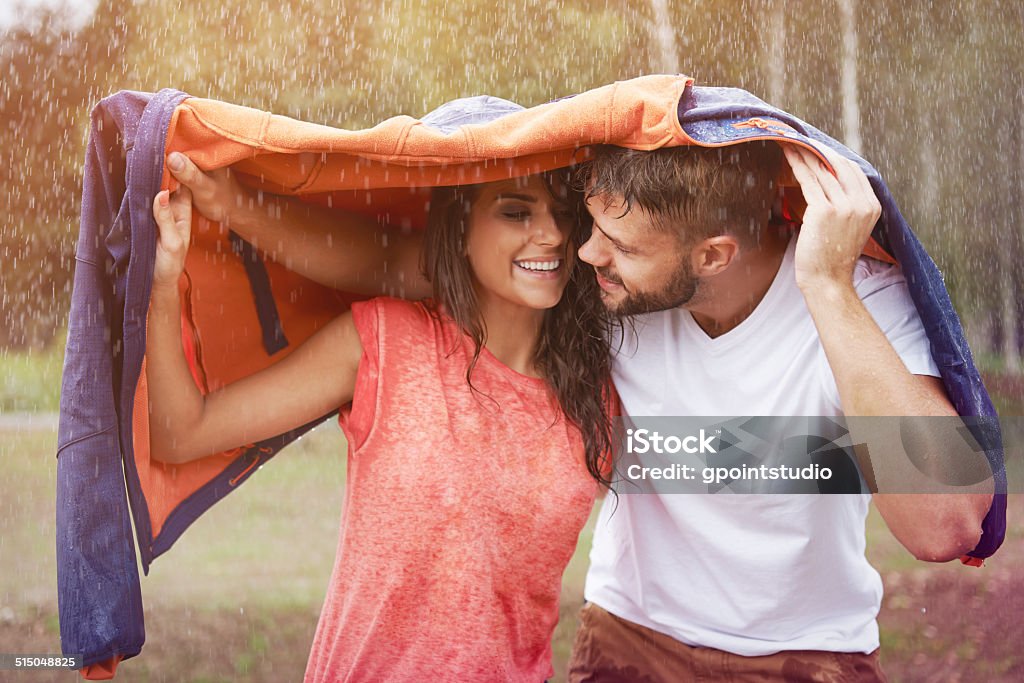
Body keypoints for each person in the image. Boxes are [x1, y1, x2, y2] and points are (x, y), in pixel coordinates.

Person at [163, 137, 992, 682]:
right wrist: (233, 206)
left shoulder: (855, 296)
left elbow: (946, 524)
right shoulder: (600, 294)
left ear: (711, 255)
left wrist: (827, 289)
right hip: (630, 643)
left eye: (614, 244)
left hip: (808, 658)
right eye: (585, 227)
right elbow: (409, 263)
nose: (580, 251)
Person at [146, 164, 617, 682]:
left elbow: (715, 469)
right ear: (459, 230)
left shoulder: (596, 396)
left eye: (565, 214)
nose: (551, 234)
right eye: (514, 211)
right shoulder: (388, 343)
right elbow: (180, 433)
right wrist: (163, 283)